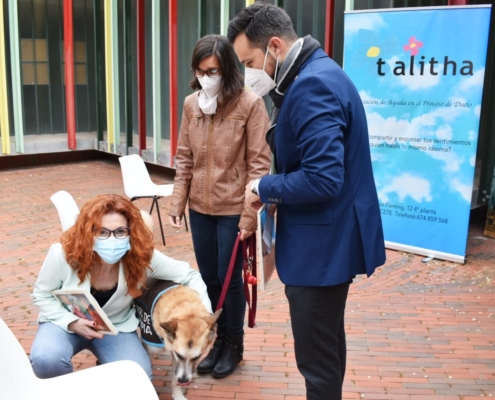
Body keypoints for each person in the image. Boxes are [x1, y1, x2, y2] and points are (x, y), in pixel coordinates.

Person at [227, 3, 386, 399]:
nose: (250, 74)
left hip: (320, 250)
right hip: (328, 241)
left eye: (250, 61)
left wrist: (264, 188)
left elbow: (323, 177)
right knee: (326, 348)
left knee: (316, 360)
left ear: (275, 47)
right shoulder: (319, 73)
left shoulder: (312, 85)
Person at [168, 34, 271, 379]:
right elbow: (184, 158)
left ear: (227, 69)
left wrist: (248, 216)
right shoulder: (191, 104)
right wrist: (177, 201)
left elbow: (259, 165)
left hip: (232, 208)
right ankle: (218, 340)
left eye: (212, 71)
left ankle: (234, 345)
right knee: (211, 278)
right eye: (200, 71)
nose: (205, 77)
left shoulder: (250, 105)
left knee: (231, 283)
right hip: (199, 206)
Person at [30, 194, 211, 379]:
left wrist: (206, 317)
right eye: (102, 232)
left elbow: (189, 275)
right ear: (87, 231)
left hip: (115, 327)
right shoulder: (62, 254)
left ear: (131, 232)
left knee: (138, 376)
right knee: (46, 359)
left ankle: (109, 365)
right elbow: (41, 294)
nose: (112, 239)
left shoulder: (141, 257)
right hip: (64, 322)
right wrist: (71, 322)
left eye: (120, 232)